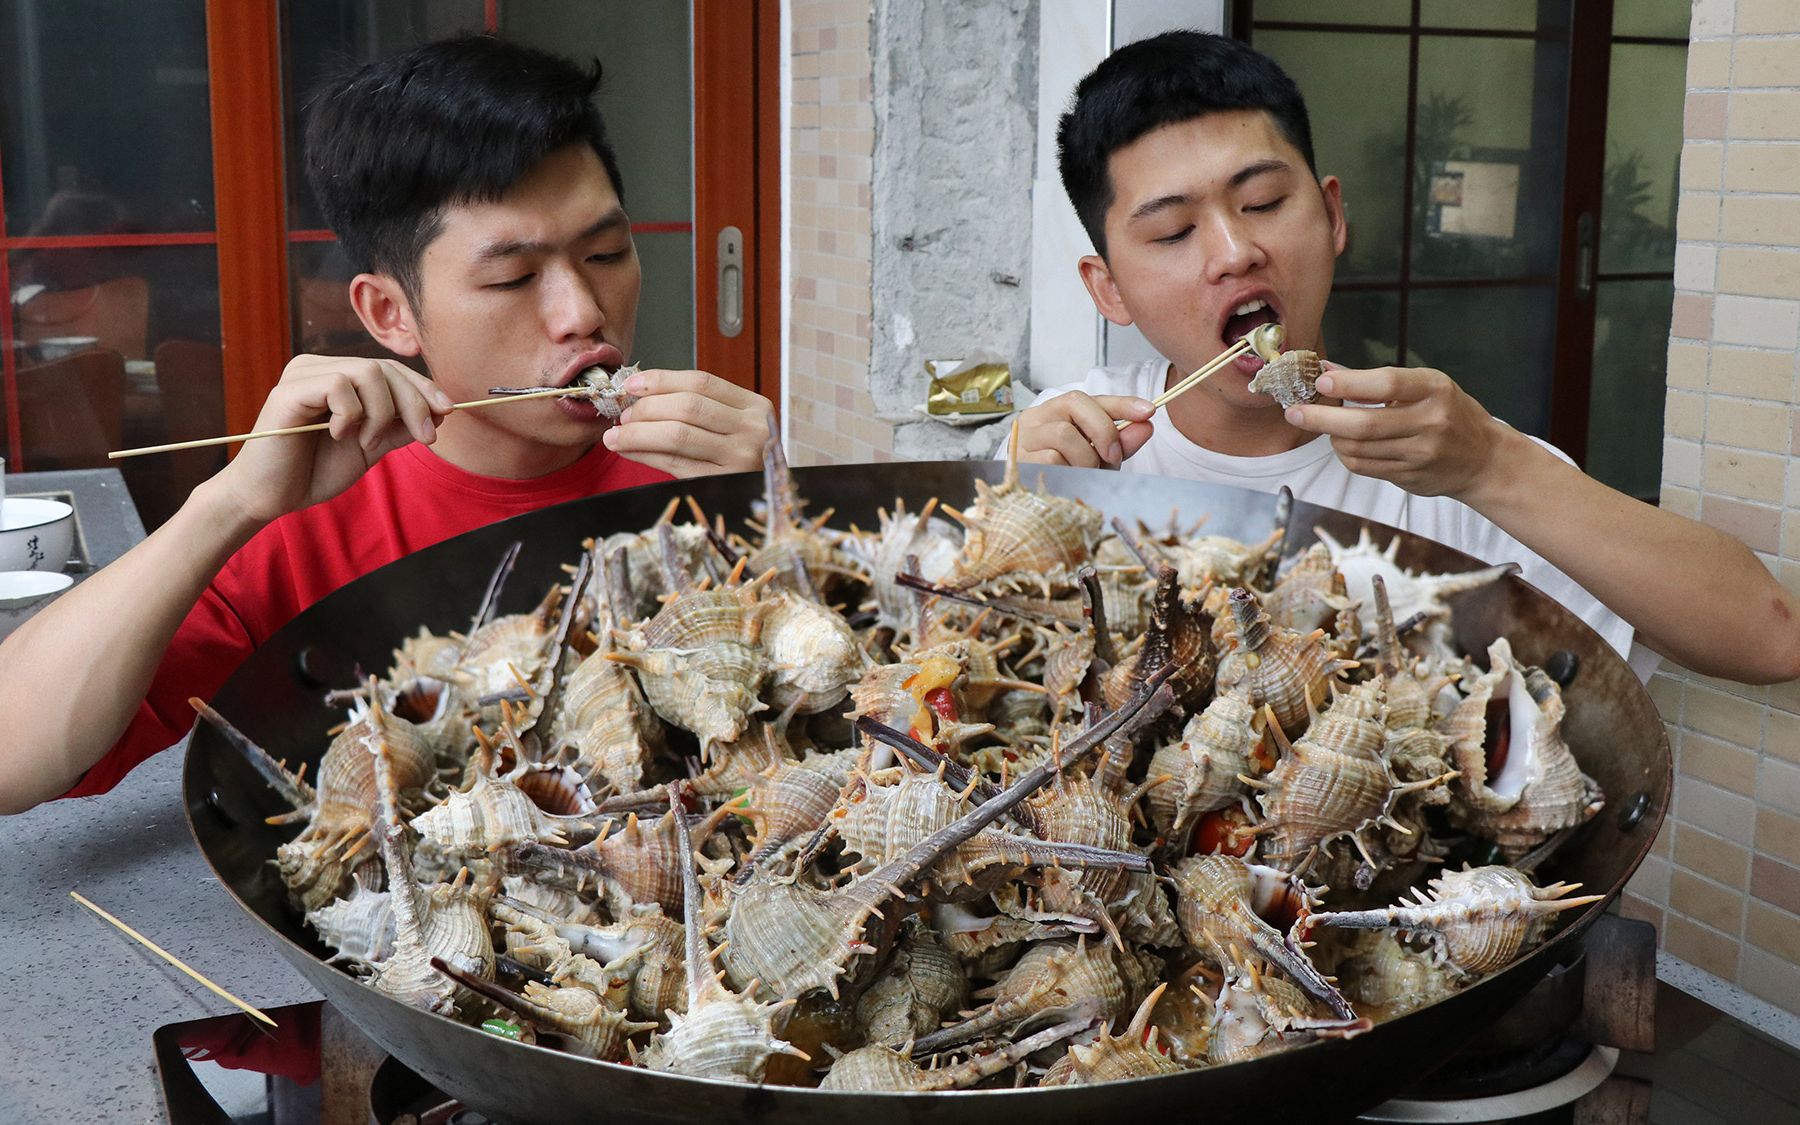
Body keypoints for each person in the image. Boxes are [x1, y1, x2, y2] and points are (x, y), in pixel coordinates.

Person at [0, 36, 775, 813]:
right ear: (390, 313)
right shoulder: (312, 518)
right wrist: (228, 503)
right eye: (514, 276)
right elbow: (10, 758)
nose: (583, 312)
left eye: (606, 253)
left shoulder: (705, 471)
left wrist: (782, 516)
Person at [1009, 30, 1799, 687]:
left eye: (1262, 204)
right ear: (1108, 288)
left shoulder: (1446, 456)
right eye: (1175, 232)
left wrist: (1494, 466)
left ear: (1332, 214)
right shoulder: (1071, 452)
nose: (1234, 251)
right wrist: (1015, 505)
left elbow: (1770, 639)